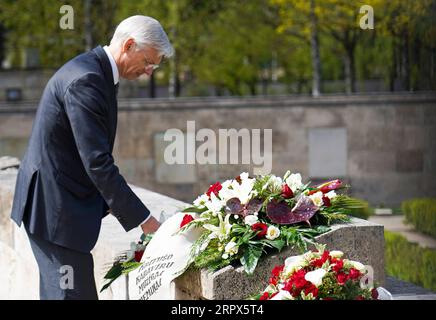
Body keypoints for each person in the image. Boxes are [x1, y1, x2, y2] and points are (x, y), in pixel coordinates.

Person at [10, 15, 174, 300]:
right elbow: (97, 163)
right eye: (149, 61)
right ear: (129, 45)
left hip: (56, 209)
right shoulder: (87, 79)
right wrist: (145, 220)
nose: (149, 71)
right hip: (55, 214)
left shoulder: (95, 71)